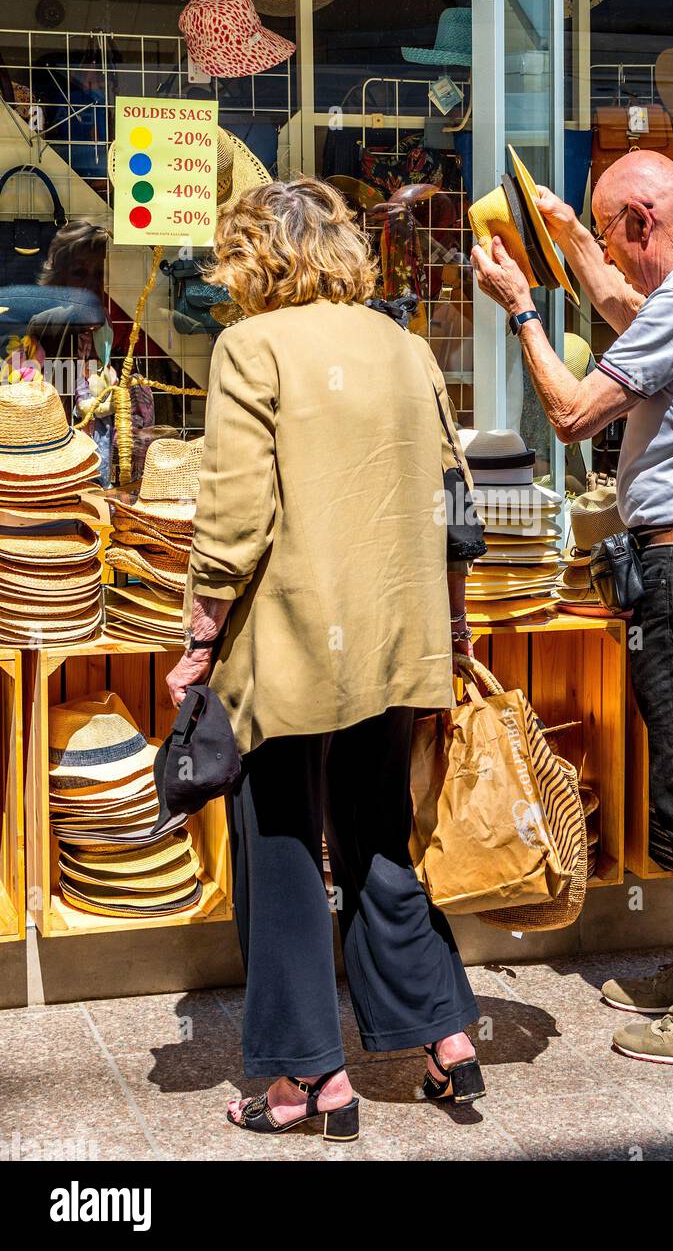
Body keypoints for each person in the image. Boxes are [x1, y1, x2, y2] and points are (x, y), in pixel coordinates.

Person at [166, 177, 485, 1140]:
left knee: (280, 846)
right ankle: (443, 1038)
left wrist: (195, 638)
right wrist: (456, 625)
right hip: (395, 632)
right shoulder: (403, 345)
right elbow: (453, 502)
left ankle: (307, 1079)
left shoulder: (249, 346)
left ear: (253, 258)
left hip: (291, 639)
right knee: (379, 831)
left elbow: (231, 512)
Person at [471, 150, 673, 1067]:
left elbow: (574, 413)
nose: (615, 252)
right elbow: (636, 319)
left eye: (613, 233)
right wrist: (576, 246)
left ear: (643, 224)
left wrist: (523, 310)